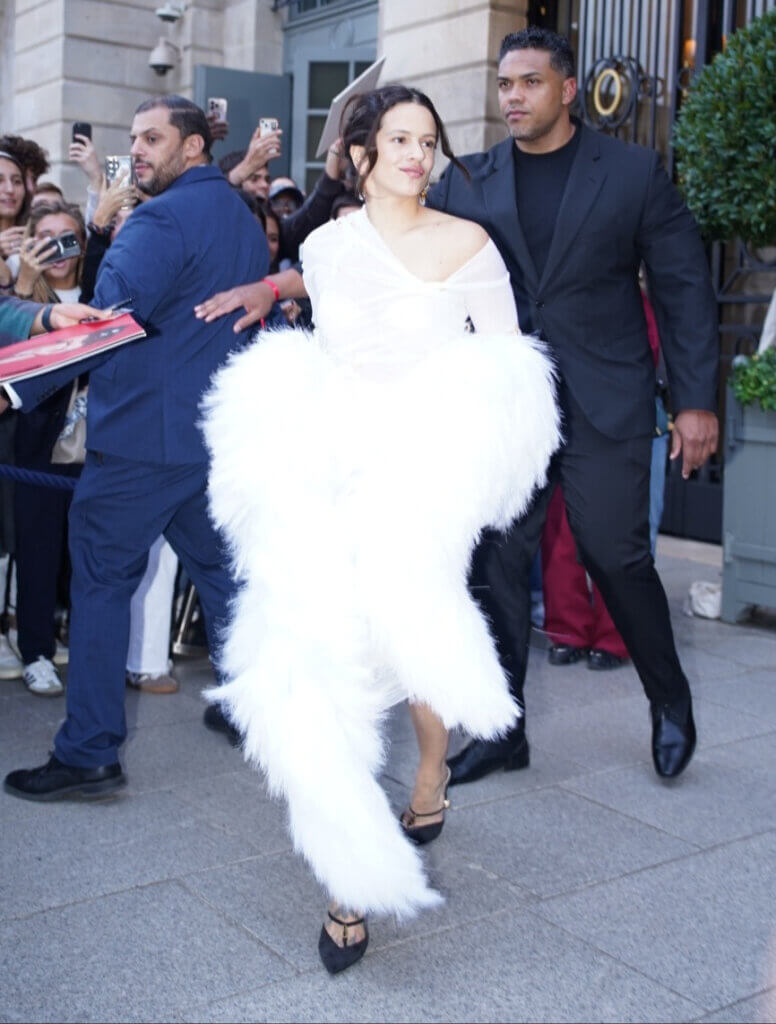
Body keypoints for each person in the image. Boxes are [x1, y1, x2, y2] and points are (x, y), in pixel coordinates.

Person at [198, 85, 560, 974]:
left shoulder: (468, 243)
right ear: (360, 152)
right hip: (332, 470)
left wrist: (470, 463)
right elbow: (326, 340)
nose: (415, 153)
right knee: (339, 662)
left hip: (421, 479)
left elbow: (505, 367)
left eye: (427, 139)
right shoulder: (324, 243)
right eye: (398, 138)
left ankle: (432, 770)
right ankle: (347, 882)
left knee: (415, 639)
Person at [425, 27, 718, 785]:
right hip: (508, 403)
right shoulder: (468, 179)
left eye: (528, 83)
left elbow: (685, 286)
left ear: (567, 89)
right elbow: (415, 265)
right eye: (504, 85)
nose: (513, 97)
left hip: (605, 395)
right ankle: (503, 729)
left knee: (613, 553)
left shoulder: (631, 172)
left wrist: (693, 403)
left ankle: (671, 700)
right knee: (498, 561)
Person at [2, 94, 268, 801]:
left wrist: (15, 386)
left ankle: (89, 749)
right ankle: (258, 710)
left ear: (194, 147)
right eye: (133, 138)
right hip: (211, 435)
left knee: (99, 584)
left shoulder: (158, 218)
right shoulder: (238, 215)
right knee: (224, 580)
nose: (138, 150)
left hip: (140, 442)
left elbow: (105, 325)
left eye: (153, 138)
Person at [10, 200, 90, 697]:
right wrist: (22, 282)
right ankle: (36, 651)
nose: (59, 248)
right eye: (46, 237)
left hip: (98, 446)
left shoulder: (106, 286)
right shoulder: (19, 300)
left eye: (69, 235)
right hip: (36, 445)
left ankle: (84, 645)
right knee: (37, 553)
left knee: (88, 558)